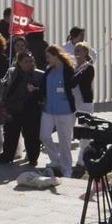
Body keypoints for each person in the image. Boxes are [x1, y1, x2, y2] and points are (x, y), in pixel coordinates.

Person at [0, 47, 45, 167]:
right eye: (26, 61)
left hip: (31, 109)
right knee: (10, 134)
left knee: (32, 136)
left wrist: (35, 90)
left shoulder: (39, 75)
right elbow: (5, 90)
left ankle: (33, 158)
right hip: (13, 109)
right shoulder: (12, 72)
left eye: (31, 61)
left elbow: (44, 92)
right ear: (19, 62)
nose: (29, 64)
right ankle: (7, 156)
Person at [38, 43, 78, 179]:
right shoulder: (48, 71)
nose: (47, 60)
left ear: (56, 56)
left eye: (48, 57)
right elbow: (43, 89)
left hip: (65, 111)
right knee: (44, 135)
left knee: (64, 141)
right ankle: (55, 160)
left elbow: (74, 87)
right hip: (48, 109)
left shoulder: (68, 70)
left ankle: (67, 169)